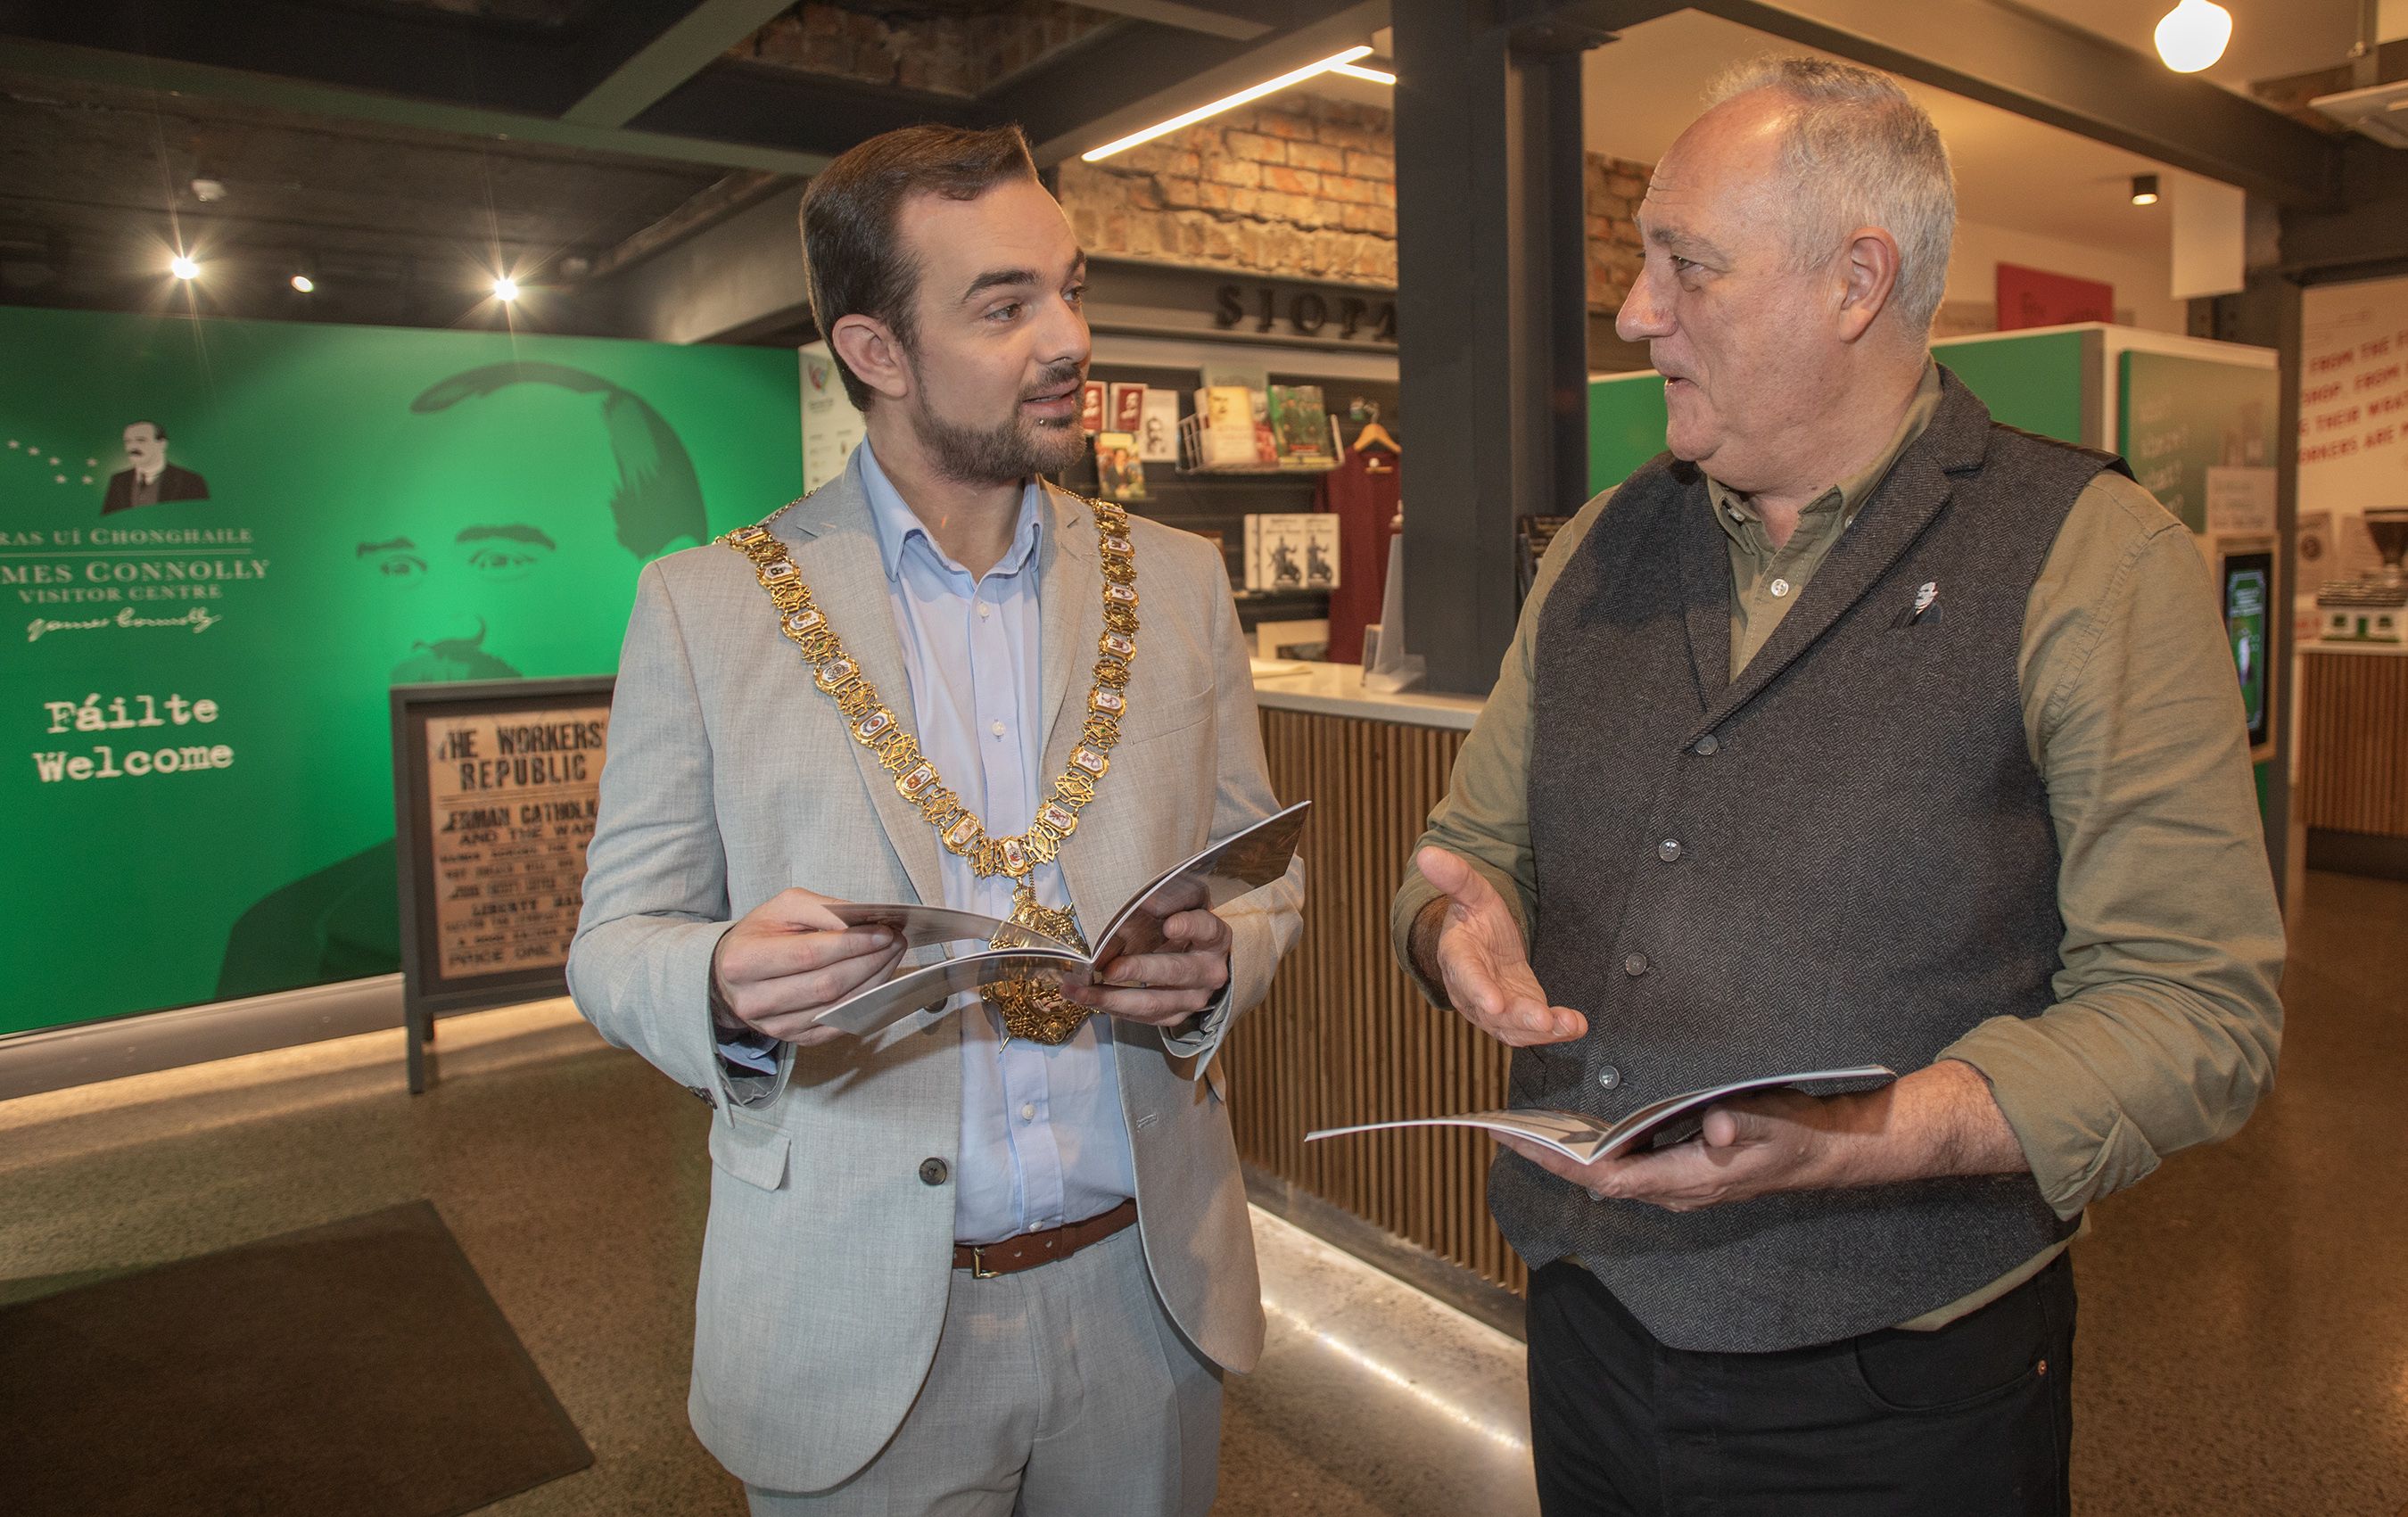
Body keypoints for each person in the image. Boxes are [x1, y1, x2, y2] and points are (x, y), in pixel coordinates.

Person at [1390, 58, 2281, 1515]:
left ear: (1857, 282)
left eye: (1687, 266)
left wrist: (1869, 1136)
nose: (1636, 313)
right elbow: (1464, 850)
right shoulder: (1596, 548)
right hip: (1587, 1331)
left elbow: (2197, 1007)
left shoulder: (2094, 560)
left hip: (1899, 1396)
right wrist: (1454, 932)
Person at [567, 124, 1302, 1516]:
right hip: (854, 1324)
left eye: (1070, 288)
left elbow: (1262, 867)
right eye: (1004, 305)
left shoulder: (1180, 582)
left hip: (1148, 1302)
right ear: (877, 351)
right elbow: (614, 943)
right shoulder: (706, 607)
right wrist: (719, 980)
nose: (1070, 338)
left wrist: (1222, 961)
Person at [214, 364, 705, 1000]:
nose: (446, 623)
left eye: (498, 559)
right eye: (400, 566)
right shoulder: (291, 942)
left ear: (670, 569)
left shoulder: (776, 871)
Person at [101, 420, 210, 513]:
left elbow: (200, 520)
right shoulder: (118, 480)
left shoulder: (190, 481)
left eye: (141, 440)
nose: (132, 447)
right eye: (128, 441)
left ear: (162, 444)